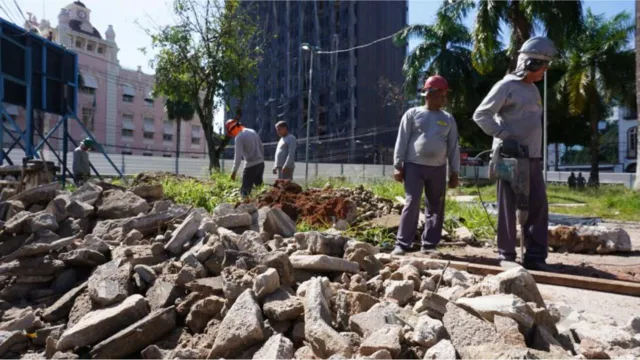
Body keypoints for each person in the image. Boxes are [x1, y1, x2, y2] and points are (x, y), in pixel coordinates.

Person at [473, 36, 556, 271]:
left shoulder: (533, 89)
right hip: (509, 157)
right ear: (529, 63)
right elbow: (481, 115)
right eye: (542, 65)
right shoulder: (506, 85)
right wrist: (504, 136)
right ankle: (506, 254)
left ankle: (536, 256)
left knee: (538, 205)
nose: (545, 71)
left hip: (532, 157)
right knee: (509, 206)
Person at [391, 75, 461, 256]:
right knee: (412, 203)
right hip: (414, 166)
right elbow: (402, 139)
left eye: (445, 95)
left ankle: (430, 244)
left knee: (436, 206)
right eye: (441, 94)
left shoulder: (448, 119)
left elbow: (453, 146)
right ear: (428, 94)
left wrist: (455, 172)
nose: (444, 98)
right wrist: (398, 165)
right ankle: (402, 243)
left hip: (438, 168)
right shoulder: (413, 114)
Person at [226, 119, 265, 197]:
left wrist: (234, 172)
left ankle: (245, 208)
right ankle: (264, 206)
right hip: (261, 164)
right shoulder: (252, 131)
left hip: (251, 167)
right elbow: (261, 147)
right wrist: (260, 159)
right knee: (260, 190)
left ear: (233, 129)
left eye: (231, 132)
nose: (233, 135)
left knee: (245, 192)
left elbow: (238, 157)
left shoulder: (239, 137)